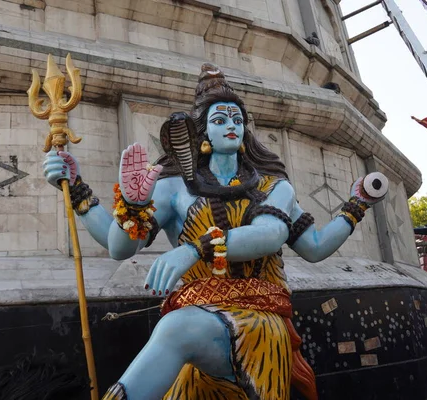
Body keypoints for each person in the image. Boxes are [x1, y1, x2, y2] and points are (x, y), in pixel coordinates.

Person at [43, 63, 386, 400]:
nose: (231, 126)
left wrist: (357, 204)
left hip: (258, 321)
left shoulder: (273, 187)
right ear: (202, 131)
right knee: (181, 331)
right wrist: (85, 193)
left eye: (237, 120)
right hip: (196, 317)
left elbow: (301, 243)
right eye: (220, 120)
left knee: (179, 330)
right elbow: (119, 247)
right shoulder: (174, 188)